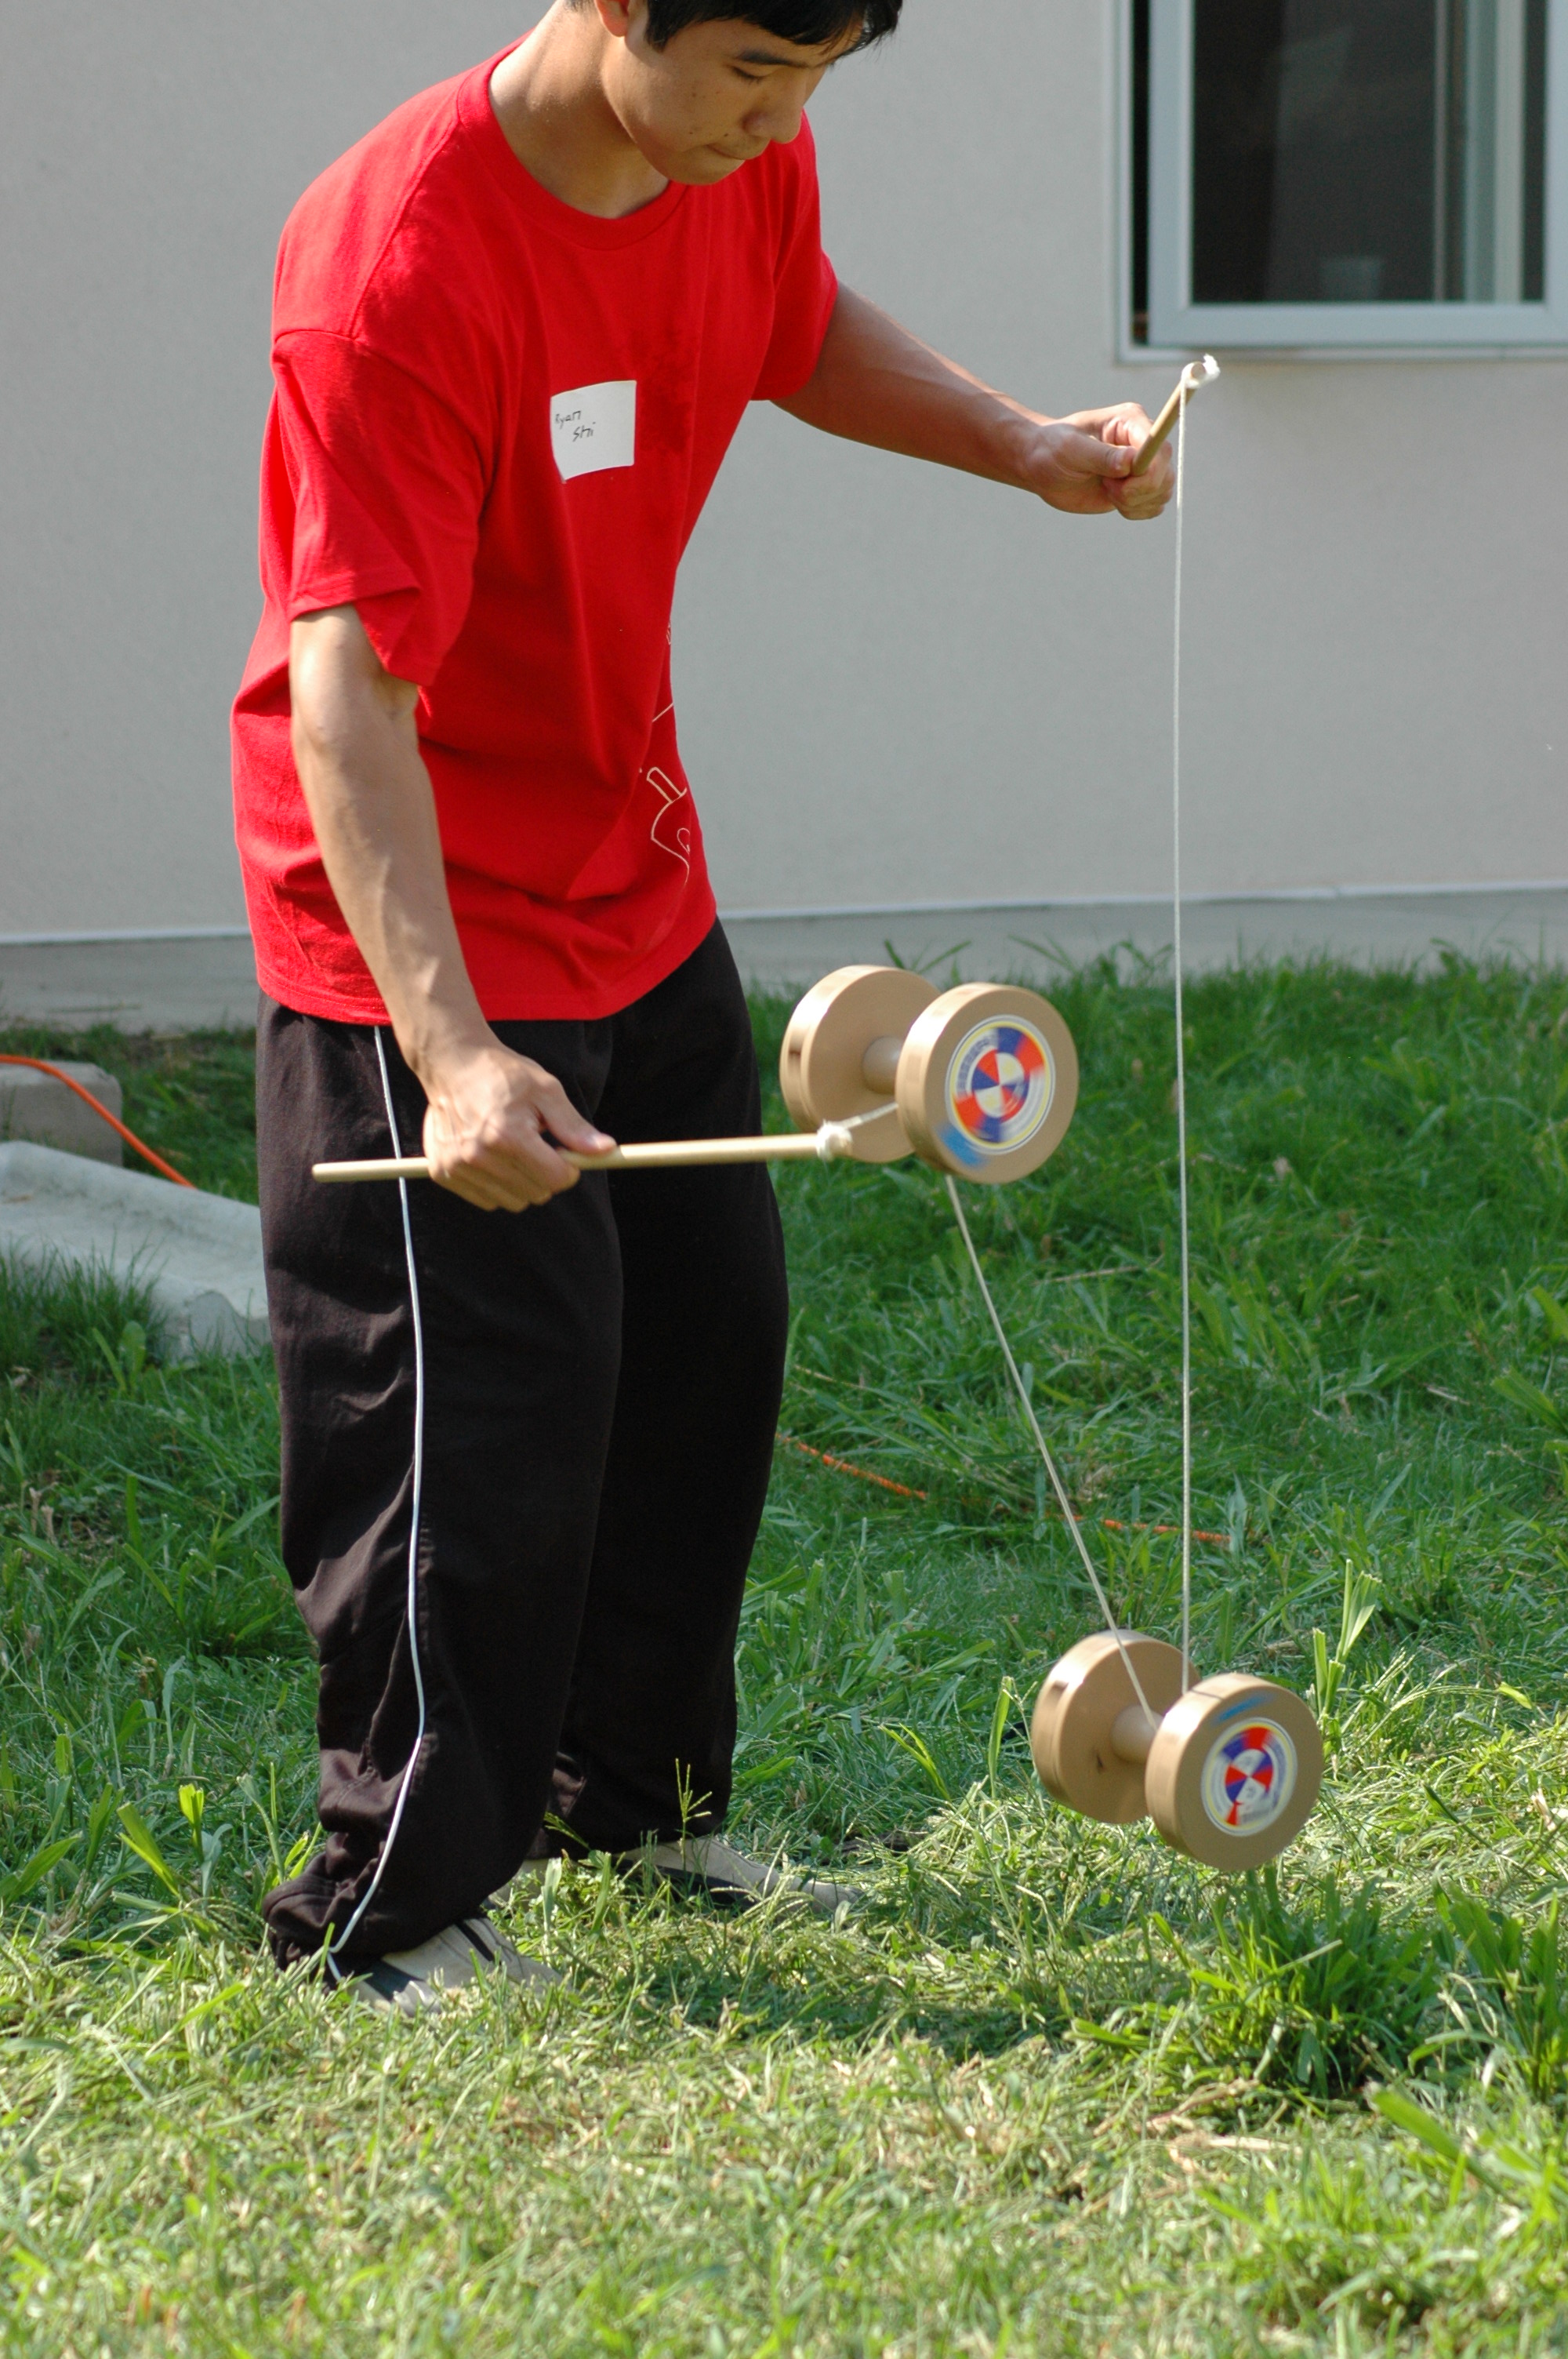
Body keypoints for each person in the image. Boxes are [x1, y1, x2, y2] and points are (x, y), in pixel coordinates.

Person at [232, 0, 1174, 2013]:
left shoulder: (728, 160)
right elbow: (348, 699)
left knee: (696, 1356)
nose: (786, 117)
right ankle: (387, 1911)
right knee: (479, 1422)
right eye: (755, 66)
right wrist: (451, 1052)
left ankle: (633, 1813)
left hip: (630, 872)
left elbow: (791, 322)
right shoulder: (401, 264)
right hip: (420, 929)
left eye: (823, 75)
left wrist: (1022, 445)